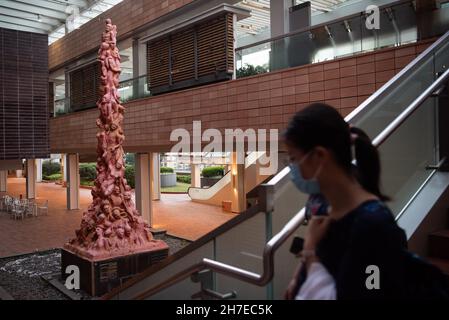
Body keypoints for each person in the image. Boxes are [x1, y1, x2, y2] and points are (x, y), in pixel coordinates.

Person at [283, 103, 410, 300]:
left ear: (318, 157)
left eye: (293, 158)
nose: (292, 167)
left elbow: (371, 292)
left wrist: (309, 253)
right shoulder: (328, 211)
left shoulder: (374, 225)